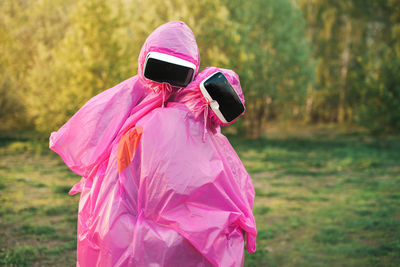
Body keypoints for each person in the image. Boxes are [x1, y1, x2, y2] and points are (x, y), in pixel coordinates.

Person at [49, 21, 201, 266]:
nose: (167, 81)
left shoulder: (190, 103)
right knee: (121, 241)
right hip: (122, 184)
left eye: (178, 72)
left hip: (164, 191)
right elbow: (94, 127)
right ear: (146, 62)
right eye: (160, 67)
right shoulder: (129, 96)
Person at [116, 67, 257, 266]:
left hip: (147, 243)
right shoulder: (217, 144)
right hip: (202, 249)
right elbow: (242, 195)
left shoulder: (144, 125)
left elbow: (122, 183)